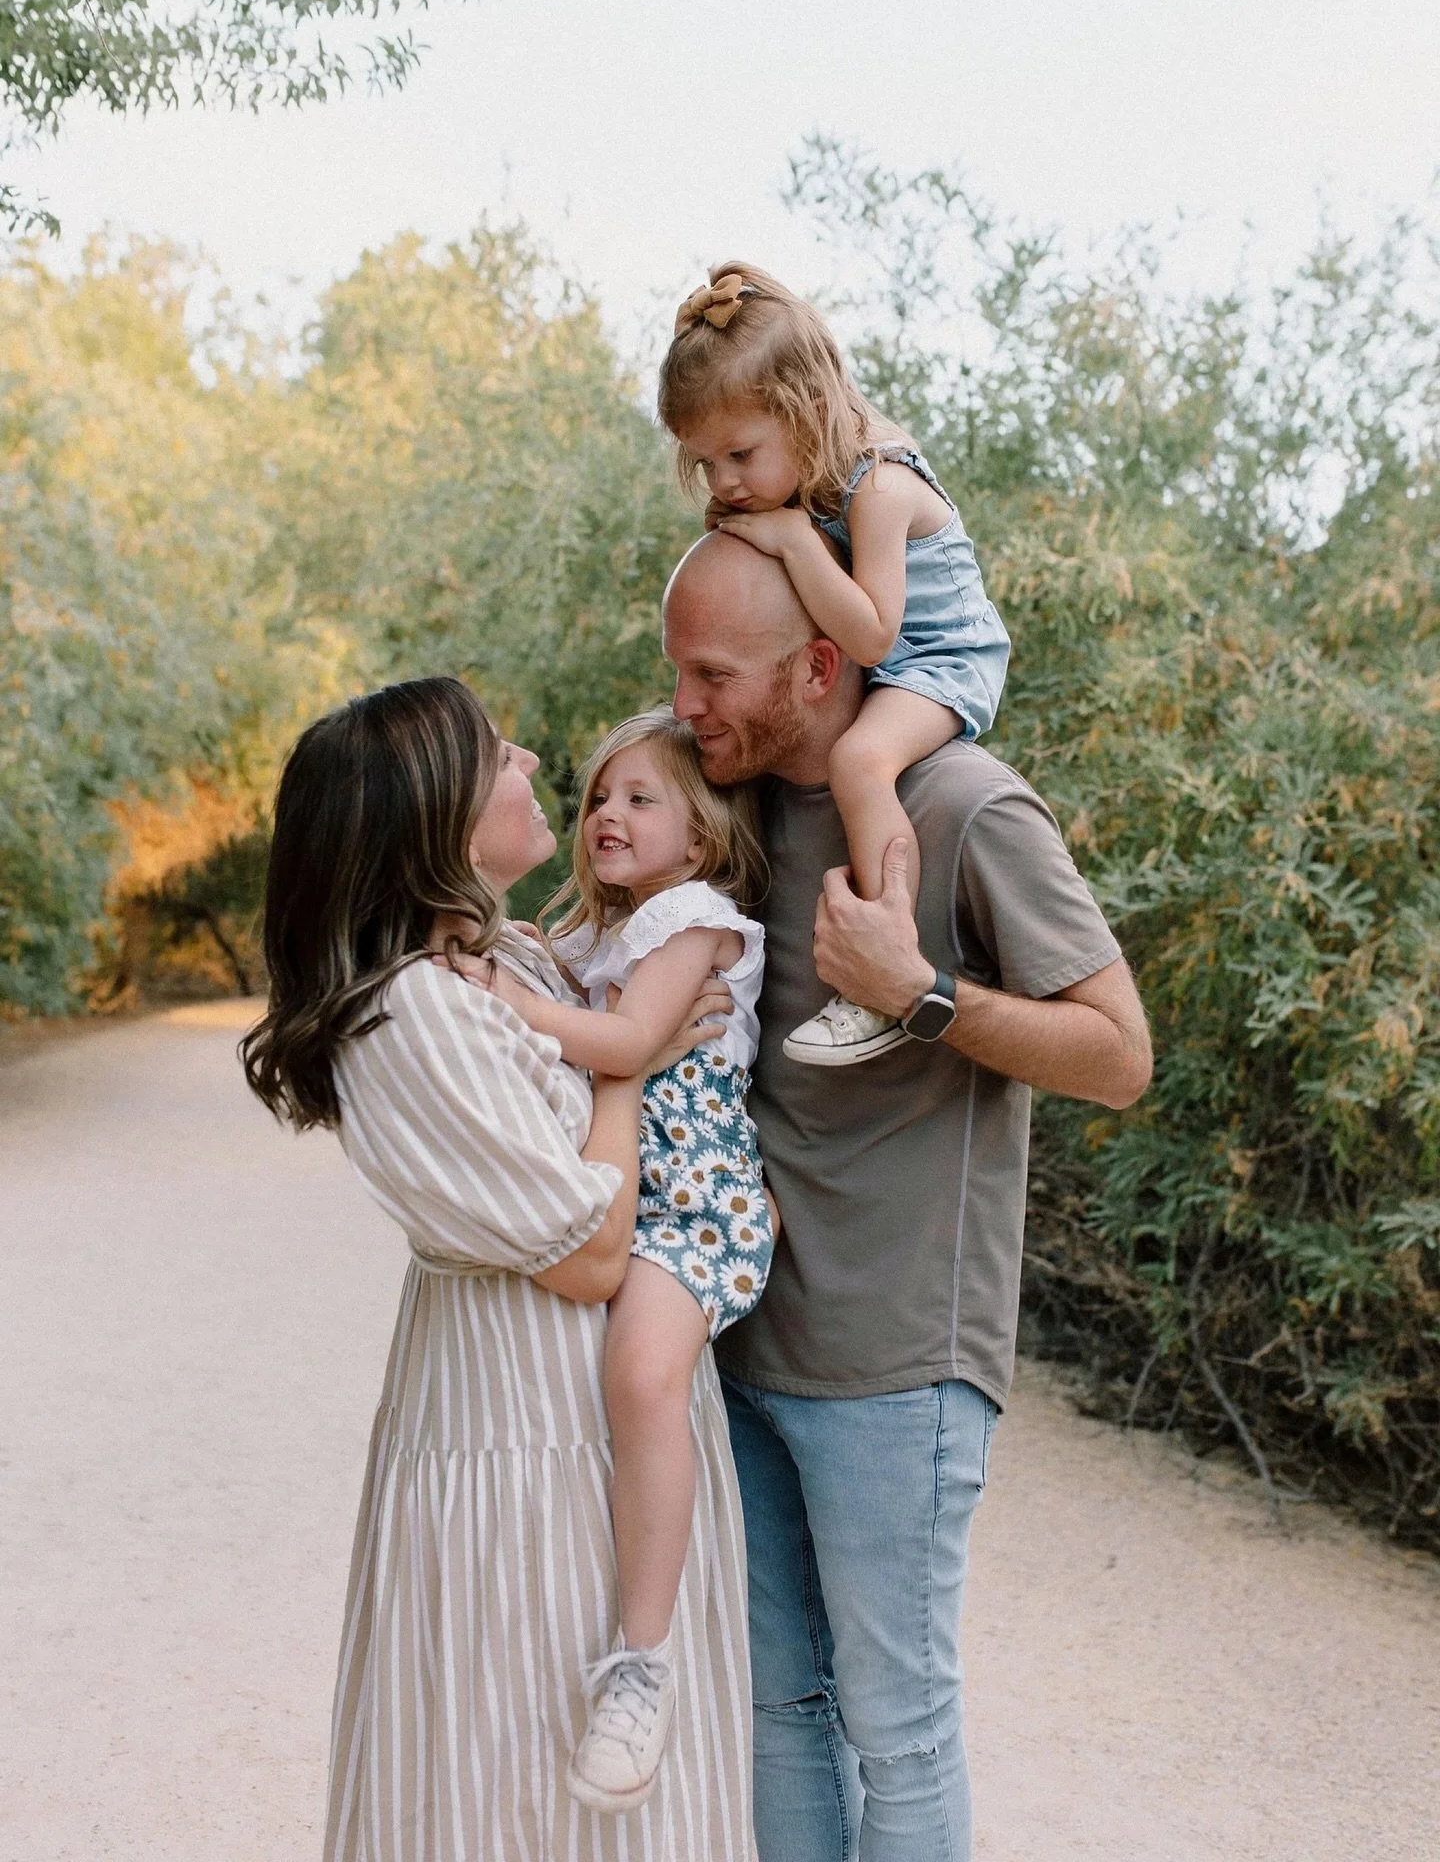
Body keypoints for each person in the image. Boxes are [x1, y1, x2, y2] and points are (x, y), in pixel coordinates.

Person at [662, 535, 1153, 1862]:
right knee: (782, 1711)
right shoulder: (735, 801)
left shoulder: (969, 806)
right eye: (676, 672)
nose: (684, 703)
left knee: (898, 1724)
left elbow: (1118, 1053)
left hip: (898, 1367)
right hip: (742, 1339)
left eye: (711, 673)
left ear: (820, 666)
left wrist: (922, 995)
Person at [240, 677, 757, 1862]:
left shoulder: (506, 957)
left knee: (609, 1788)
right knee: (512, 1777)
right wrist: (630, 1068)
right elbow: (588, 1255)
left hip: (594, 1435)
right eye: (496, 754)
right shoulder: (415, 1015)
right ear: (435, 816)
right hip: (521, 1436)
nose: (528, 758)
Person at [475, 707, 775, 1813]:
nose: (607, 813)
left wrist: (505, 1001)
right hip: (637, 1194)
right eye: (599, 794)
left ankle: (641, 1663)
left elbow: (628, 1048)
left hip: (697, 1205)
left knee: (642, 1376)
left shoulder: (696, 919)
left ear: (698, 840)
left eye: (641, 799)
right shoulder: (607, 935)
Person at [658, 262, 1011, 1068]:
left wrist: (786, 539)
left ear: (809, 410)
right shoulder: (809, 472)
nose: (726, 481)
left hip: (943, 659)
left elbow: (875, 636)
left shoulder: (879, 486)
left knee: (859, 758)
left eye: (741, 454)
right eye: (709, 464)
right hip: (893, 654)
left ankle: (884, 966)